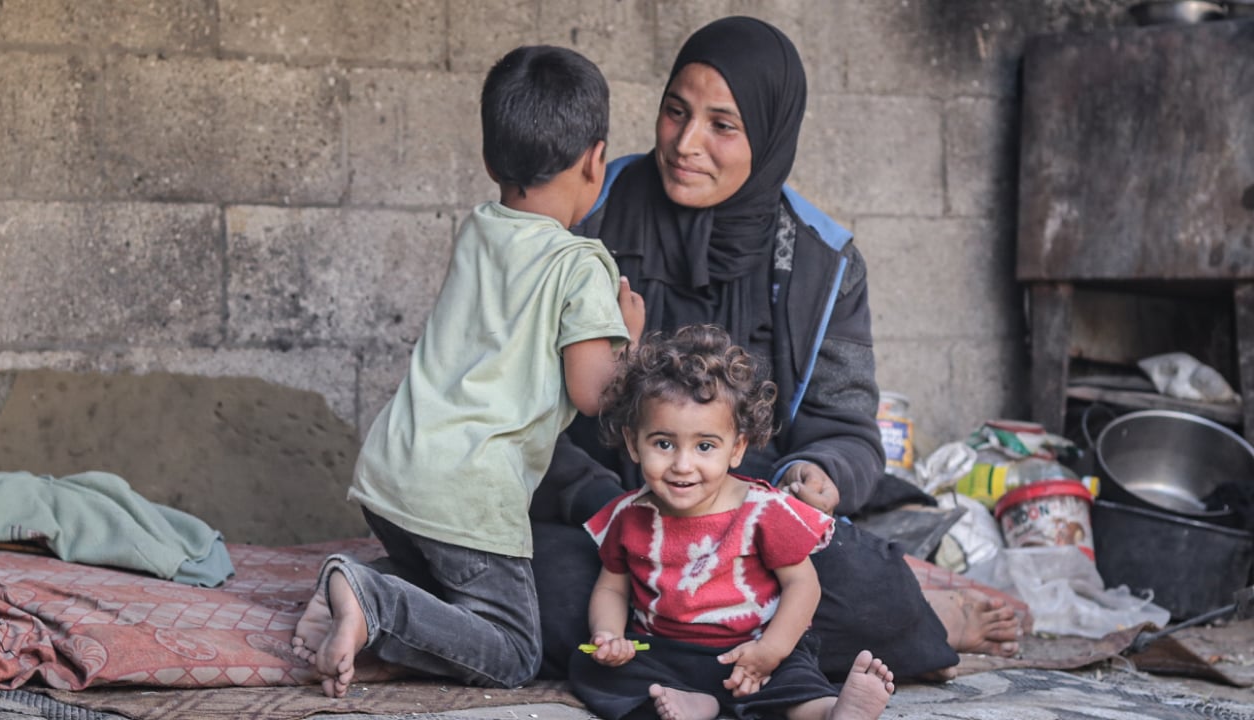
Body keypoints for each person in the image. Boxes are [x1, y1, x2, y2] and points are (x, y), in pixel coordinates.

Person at [529, 15, 1022, 682]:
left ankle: (912, 620)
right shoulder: (586, 213)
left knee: (866, 591)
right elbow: (519, 405)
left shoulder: (821, 262)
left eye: (722, 125)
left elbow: (848, 430)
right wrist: (603, 505)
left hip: (751, 536)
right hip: (603, 522)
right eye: (675, 111)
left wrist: (816, 474)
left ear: (769, 133)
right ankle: (727, 651)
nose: (686, 143)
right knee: (550, 600)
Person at [289, 44, 645, 698]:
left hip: (395, 474)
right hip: (468, 496)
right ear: (596, 161)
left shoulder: (479, 228)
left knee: (447, 584)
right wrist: (628, 337)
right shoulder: (580, 264)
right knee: (513, 650)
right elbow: (594, 390)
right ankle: (372, 598)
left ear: (488, 160)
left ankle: (358, 592)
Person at [570, 325, 895, 720]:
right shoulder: (628, 515)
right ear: (633, 442)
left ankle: (831, 710)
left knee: (792, 678)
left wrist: (770, 651)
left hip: (751, 648)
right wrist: (608, 635)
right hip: (665, 653)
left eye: (705, 446)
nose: (683, 464)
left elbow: (803, 586)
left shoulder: (762, 510)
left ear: (737, 448)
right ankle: (695, 702)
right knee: (594, 668)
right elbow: (611, 588)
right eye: (663, 443)